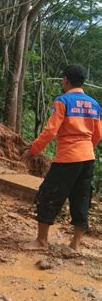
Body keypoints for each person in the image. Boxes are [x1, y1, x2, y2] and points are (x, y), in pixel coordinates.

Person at [22, 64, 101, 252]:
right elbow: (98, 134)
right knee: (81, 199)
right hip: (88, 158)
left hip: (67, 158)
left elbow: (50, 131)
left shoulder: (63, 101)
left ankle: (41, 241)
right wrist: (87, 148)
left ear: (65, 80)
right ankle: (75, 244)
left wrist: (33, 149)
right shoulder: (94, 104)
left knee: (48, 195)